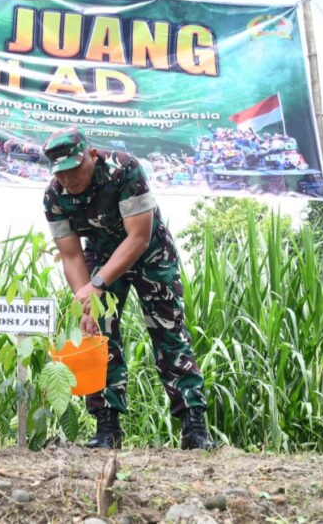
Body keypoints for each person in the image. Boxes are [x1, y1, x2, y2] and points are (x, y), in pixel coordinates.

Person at [41, 127, 216, 451]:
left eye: (73, 169)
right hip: (101, 256)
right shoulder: (54, 197)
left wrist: (97, 284)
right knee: (98, 334)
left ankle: (194, 428)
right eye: (59, 172)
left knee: (169, 332)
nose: (68, 179)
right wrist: (85, 300)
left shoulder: (124, 169)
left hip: (151, 254)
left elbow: (139, 237)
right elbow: (71, 254)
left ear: (92, 156)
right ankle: (107, 429)